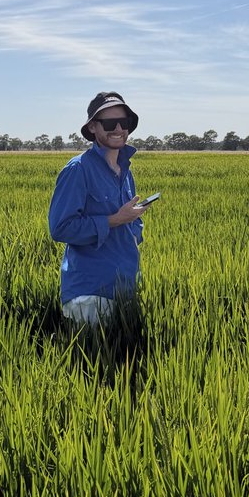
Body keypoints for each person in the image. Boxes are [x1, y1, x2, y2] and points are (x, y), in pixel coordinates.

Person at [48, 91, 147, 326]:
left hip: (125, 286)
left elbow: (131, 223)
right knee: (93, 362)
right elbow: (60, 228)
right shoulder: (77, 170)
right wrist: (114, 219)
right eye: (110, 123)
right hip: (90, 292)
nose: (119, 128)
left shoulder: (125, 170)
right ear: (93, 127)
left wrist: (134, 227)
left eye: (125, 122)